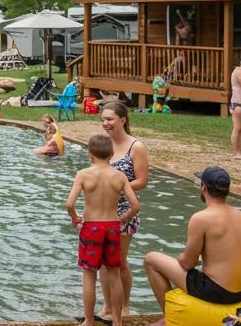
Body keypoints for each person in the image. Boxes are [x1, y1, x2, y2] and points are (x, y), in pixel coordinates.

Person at [143, 167, 241, 325]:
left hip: (218, 292)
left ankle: (168, 319)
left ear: (204, 188)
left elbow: (188, 263)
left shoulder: (201, 218)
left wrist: (179, 258)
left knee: (151, 259)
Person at [66, 134, 140, 326]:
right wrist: (123, 218)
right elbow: (135, 206)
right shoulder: (120, 176)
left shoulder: (83, 174)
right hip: (113, 226)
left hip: (91, 227)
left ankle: (89, 321)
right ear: (112, 154)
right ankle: (117, 321)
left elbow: (69, 204)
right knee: (114, 273)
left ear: (90, 154)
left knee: (89, 275)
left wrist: (75, 218)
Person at [94, 99, 149, 318]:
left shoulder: (136, 147)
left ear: (123, 120)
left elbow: (142, 180)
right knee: (100, 262)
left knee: (117, 261)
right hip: (100, 210)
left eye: (109, 119)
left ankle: (124, 306)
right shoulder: (103, 143)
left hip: (125, 212)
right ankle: (107, 307)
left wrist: (118, 188)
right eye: (102, 120)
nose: (105, 123)